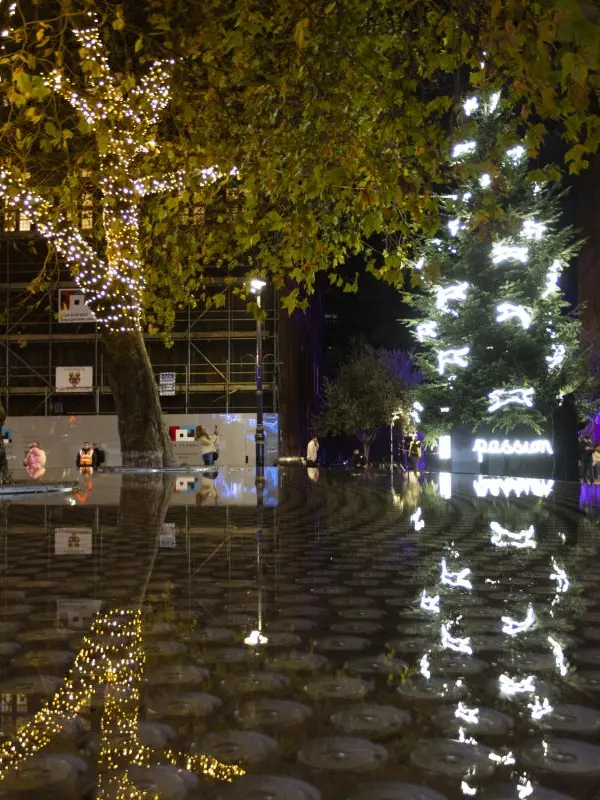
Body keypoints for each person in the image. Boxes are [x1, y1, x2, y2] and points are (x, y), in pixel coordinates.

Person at [552, 393, 583, 482]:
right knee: (571, 466)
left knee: (558, 465)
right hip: (569, 443)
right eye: (573, 401)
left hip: (558, 442)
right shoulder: (570, 412)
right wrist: (582, 424)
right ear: (570, 401)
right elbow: (571, 427)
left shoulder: (556, 410)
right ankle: (570, 487)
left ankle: (558, 485)